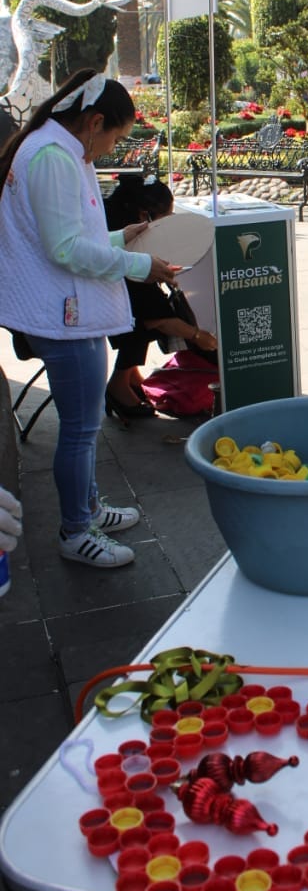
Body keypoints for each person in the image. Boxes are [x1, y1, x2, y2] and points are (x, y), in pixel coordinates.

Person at [0, 70, 177, 569]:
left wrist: (125, 236)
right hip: (61, 314)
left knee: (82, 428)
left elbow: (71, 236)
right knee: (79, 430)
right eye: (114, 138)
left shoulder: (48, 146)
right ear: (94, 121)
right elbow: (65, 249)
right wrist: (142, 265)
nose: (109, 150)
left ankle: (89, 507)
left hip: (60, 308)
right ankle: (76, 530)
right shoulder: (55, 157)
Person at [102, 175, 217, 419]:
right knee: (142, 321)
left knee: (146, 312)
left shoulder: (117, 226)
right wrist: (198, 336)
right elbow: (158, 319)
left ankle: (130, 373)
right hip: (97, 308)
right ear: (145, 217)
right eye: (167, 220)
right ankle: (118, 385)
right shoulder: (127, 256)